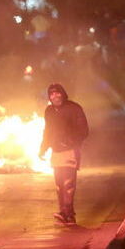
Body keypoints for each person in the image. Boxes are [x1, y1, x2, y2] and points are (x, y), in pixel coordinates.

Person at [39, 83, 89, 225]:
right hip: (56, 152)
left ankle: (69, 214)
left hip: (70, 151)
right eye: (52, 94)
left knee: (68, 184)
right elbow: (47, 131)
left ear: (63, 94)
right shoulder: (49, 111)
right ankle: (63, 212)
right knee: (59, 184)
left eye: (58, 93)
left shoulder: (74, 108)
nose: (55, 96)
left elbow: (84, 130)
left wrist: (70, 141)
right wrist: (43, 148)